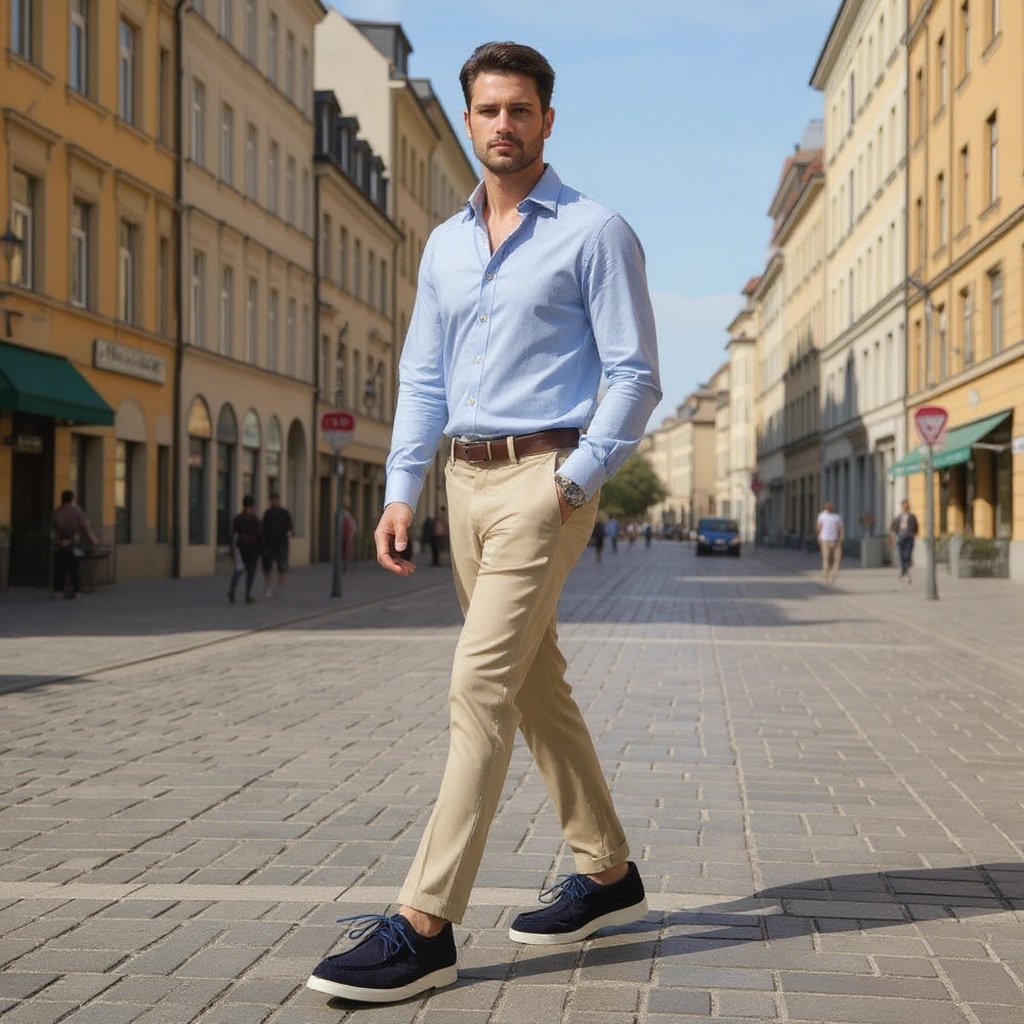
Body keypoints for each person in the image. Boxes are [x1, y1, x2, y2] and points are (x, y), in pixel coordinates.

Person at [306, 41, 661, 1005]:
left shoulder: (595, 232)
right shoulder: (444, 243)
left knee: (478, 686)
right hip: (463, 486)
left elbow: (634, 376)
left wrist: (578, 479)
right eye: (488, 110)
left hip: (546, 481)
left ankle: (424, 925)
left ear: (548, 120)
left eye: (521, 109)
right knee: (533, 682)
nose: (503, 125)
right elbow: (424, 374)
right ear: (468, 121)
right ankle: (607, 870)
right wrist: (400, 489)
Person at [51, 489, 99, 600]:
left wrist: (58, 541)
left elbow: (53, 530)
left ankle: (58, 592)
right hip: (73, 543)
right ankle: (76, 591)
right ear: (72, 498)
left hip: (60, 544)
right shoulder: (76, 511)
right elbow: (85, 527)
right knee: (74, 569)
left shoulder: (56, 512)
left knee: (59, 569)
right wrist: (93, 540)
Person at [227, 496, 262, 604]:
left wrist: (232, 549)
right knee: (251, 571)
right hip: (252, 547)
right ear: (252, 505)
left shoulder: (238, 518)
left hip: (240, 546)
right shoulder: (254, 519)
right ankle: (247, 594)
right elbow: (260, 534)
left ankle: (232, 589)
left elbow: (233, 533)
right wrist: (262, 549)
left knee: (238, 569)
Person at [261, 492, 293, 597]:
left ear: (278, 500)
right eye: (272, 500)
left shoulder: (285, 513)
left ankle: (279, 587)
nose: (273, 502)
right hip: (269, 544)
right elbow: (264, 529)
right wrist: (264, 545)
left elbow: (289, 528)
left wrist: (287, 537)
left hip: (281, 544)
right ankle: (269, 587)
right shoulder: (267, 513)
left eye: (275, 499)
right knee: (267, 567)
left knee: (282, 567)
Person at [890, 499, 919, 584]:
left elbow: (916, 527)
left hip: (909, 538)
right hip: (901, 538)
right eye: (904, 506)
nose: (905, 508)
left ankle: (906, 572)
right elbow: (894, 527)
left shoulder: (912, 517)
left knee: (907, 556)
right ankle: (903, 572)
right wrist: (893, 537)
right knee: (902, 556)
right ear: (902, 507)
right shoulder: (899, 517)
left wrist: (913, 534)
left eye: (907, 506)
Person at [816, 500, 845, 585]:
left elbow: (819, 528)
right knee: (830, 558)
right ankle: (829, 575)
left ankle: (830, 575)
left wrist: (841, 538)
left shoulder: (835, 517)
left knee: (831, 558)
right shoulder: (824, 516)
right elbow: (819, 527)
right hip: (829, 540)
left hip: (830, 540)